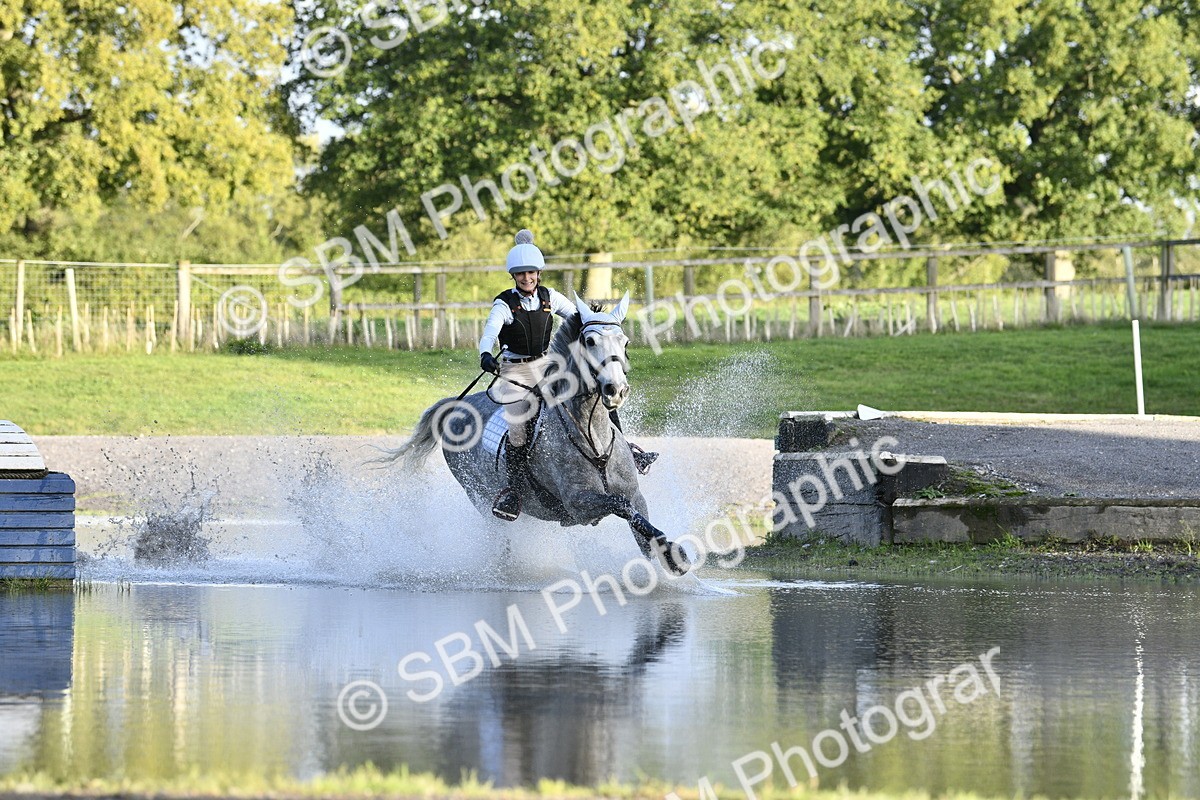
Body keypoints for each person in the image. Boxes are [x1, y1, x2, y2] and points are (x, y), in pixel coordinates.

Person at [479, 229, 657, 521]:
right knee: (519, 427)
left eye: (531, 273)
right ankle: (514, 491)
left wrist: (600, 324)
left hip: (548, 365)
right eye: (521, 274)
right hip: (517, 372)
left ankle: (627, 452)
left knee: (598, 395)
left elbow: (580, 316)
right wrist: (486, 353)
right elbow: (489, 333)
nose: (527, 279)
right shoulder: (504, 304)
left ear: (538, 273)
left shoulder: (550, 297)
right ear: (514, 276)